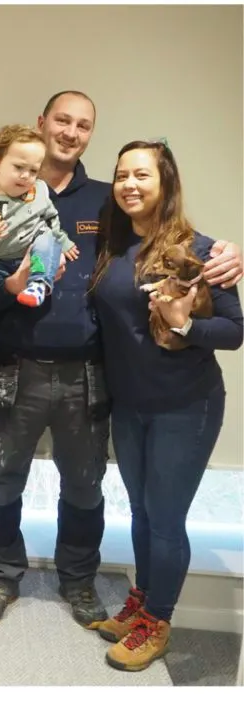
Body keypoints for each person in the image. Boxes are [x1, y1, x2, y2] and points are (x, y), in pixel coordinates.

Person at [0, 90, 243, 630]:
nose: (70, 132)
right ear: (42, 122)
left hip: (90, 375)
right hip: (14, 365)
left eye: (83, 125)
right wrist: (10, 288)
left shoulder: (108, 205)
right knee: (2, 481)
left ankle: (78, 580)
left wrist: (226, 252)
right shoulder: (0, 196)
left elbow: (167, 247)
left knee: (85, 487)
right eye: (62, 121)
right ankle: (1, 576)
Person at [90, 140, 242, 671]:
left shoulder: (197, 249)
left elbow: (234, 330)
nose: (129, 184)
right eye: (121, 175)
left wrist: (184, 325)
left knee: (166, 519)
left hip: (186, 406)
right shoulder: (110, 245)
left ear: (165, 184)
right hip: (129, 406)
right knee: (141, 511)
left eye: (142, 175)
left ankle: (158, 620)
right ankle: (143, 602)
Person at [0, 124, 79, 350]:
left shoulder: (40, 189)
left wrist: (64, 240)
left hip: (31, 254)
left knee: (47, 239)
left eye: (33, 170)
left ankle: (39, 284)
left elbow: (51, 218)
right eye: (19, 167)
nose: (26, 176)